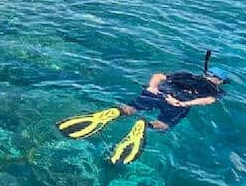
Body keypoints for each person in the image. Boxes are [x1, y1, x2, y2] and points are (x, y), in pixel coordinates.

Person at [57, 55, 231, 164]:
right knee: (163, 125)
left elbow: (159, 76)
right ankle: (144, 125)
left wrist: (152, 88)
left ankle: (118, 112)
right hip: (178, 102)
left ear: (206, 73)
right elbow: (208, 100)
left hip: (160, 91)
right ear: (220, 81)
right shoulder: (216, 90)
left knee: (131, 107)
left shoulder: (187, 75)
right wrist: (184, 104)